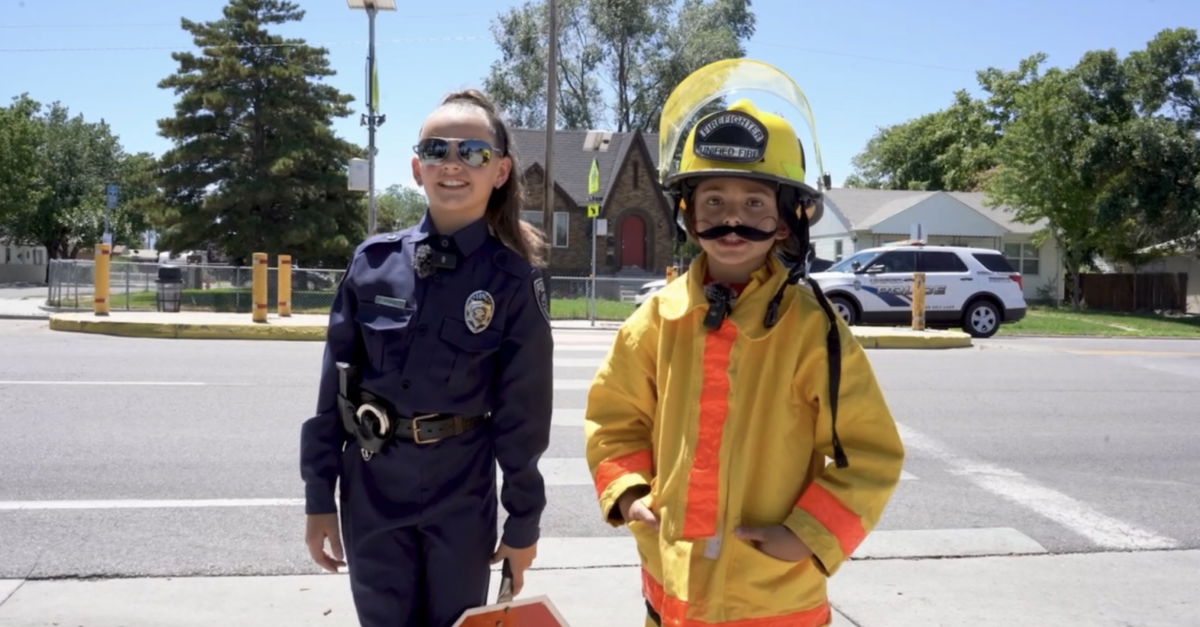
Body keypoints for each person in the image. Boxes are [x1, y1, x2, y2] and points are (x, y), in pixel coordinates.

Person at [585, 98, 905, 626]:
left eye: (755, 203)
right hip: (670, 592)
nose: (732, 217)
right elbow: (614, 419)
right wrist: (628, 493)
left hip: (772, 601)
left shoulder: (812, 331)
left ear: (786, 222)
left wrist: (807, 534)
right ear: (686, 213)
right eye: (713, 199)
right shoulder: (657, 319)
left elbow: (871, 454)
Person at [301, 89, 554, 627]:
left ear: (501, 171)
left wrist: (523, 525)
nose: (454, 164)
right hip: (372, 483)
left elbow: (523, 417)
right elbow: (332, 395)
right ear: (417, 168)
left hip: (460, 489)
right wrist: (319, 496)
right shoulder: (372, 264)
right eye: (437, 150)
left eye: (473, 152)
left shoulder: (512, 280)